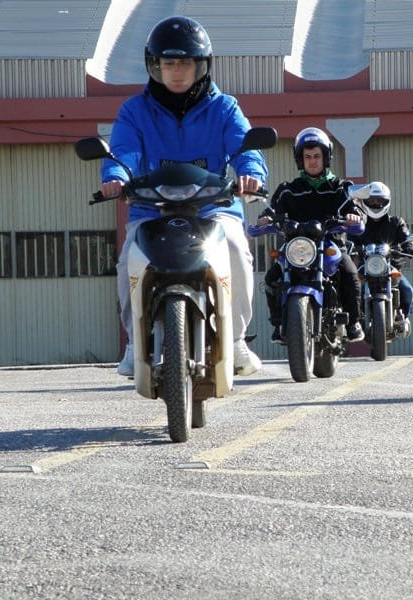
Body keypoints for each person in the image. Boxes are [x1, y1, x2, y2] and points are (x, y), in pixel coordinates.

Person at [101, 16, 266, 377]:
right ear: (155, 65)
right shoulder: (135, 110)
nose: (177, 72)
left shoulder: (225, 107)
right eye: (169, 63)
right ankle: (134, 344)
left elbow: (244, 146)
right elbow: (124, 150)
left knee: (236, 250)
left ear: (201, 65)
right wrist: (116, 176)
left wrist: (251, 173)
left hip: (213, 208)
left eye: (186, 63)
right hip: (151, 209)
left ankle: (236, 340)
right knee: (129, 259)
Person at [256, 126, 365, 343]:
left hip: (330, 244)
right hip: (297, 246)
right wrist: (265, 219)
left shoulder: (341, 188)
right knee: (272, 278)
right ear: (300, 159)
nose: (313, 161)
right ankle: (279, 324)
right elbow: (272, 210)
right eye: (308, 157)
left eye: (317, 156)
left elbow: (354, 209)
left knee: (350, 273)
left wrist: (354, 216)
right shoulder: (288, 189)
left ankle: (353, 322)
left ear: (326, 157)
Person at [349, 181, 413, 325]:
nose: (375, 204)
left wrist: (409, 247)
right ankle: (355, 322)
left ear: (386, 202)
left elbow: (406, 238)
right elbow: (349, 241)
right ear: (364, 201)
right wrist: (352, 249)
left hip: (391, 268)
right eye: (371, 200)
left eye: (379, 200)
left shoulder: (396, 222)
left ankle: (402, 318)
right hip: (364, 268)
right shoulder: (359, 224)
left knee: (407, 291)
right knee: (352, 292)